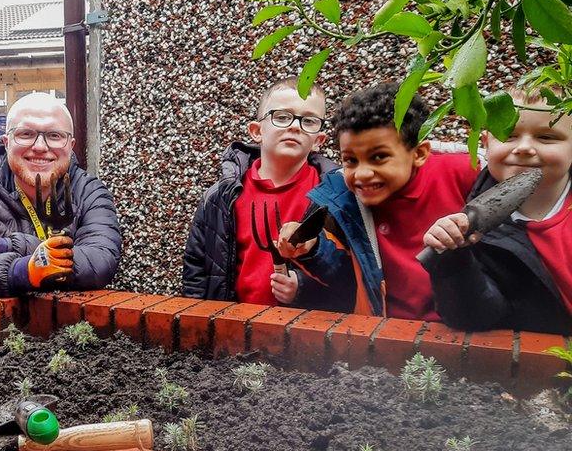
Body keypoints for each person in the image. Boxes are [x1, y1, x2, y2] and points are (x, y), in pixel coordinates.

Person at [277, 83, 477, 320]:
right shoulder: (343, 199)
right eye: (350, 160)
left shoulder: (465, 172)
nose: (362, 174)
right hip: (384, 335)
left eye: (379, 157)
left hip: (467, 328)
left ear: (420, 153)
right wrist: (312, 249)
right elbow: (349, 281)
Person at [0, 92, 121, 296]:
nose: (40, 147)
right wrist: (22, 272)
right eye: (26, 134)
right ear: (6, 142)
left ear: (70, 145)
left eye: (55, 136)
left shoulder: (90, 192)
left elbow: (101, 261)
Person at [421, 87, 572, 334]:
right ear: (486, 143)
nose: (523, 147)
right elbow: (474, 316)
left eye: (546, 137)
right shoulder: (477, 226)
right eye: (508, 135)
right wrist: (453, 260)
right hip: (540, 358)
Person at [182, 77, 340, 308]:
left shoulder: (335, 196)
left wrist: (304, 289)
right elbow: (196, 267)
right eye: (282, 117)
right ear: (257, 131)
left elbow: (349, 276)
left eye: (308, 120)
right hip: (232, 328)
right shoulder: (221, 197)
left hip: (305, 334)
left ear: (319, 140)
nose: (294, 126)